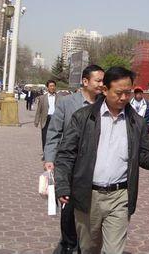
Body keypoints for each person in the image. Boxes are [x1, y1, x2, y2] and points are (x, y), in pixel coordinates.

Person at [54, 66, 149, 254]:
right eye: (119, 93)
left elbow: (144, 157)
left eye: (128, 93)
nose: (124, 98)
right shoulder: (83, 117)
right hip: (88, 195)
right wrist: (62, 185)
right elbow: (66, 154)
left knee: (113, 250)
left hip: (120, 196)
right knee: (88, 249)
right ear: (105, 90)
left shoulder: (136, 122)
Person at [45, 65, 105, 254]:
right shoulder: (66, 103)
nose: (101, 84)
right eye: (98, 80)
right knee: (69, 207)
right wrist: (50, 158)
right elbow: (54, 132)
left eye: (103, 81)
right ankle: (69, 243)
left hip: (95, 167)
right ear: (85, 82)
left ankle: (86, 244)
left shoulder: (105, 104)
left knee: (90, 209)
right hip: (70, 166)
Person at [34, 80, 58, 154]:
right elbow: (39, 111)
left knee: (55, 137)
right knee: (44, 137)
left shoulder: (59, 97)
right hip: (46, 119)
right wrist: (36, 121)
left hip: (55, 119)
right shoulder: (42, 98)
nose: (52, 87)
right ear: (47, 87)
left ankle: (53, 153)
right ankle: (45, 153)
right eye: (50, 86)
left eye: (53, 86)